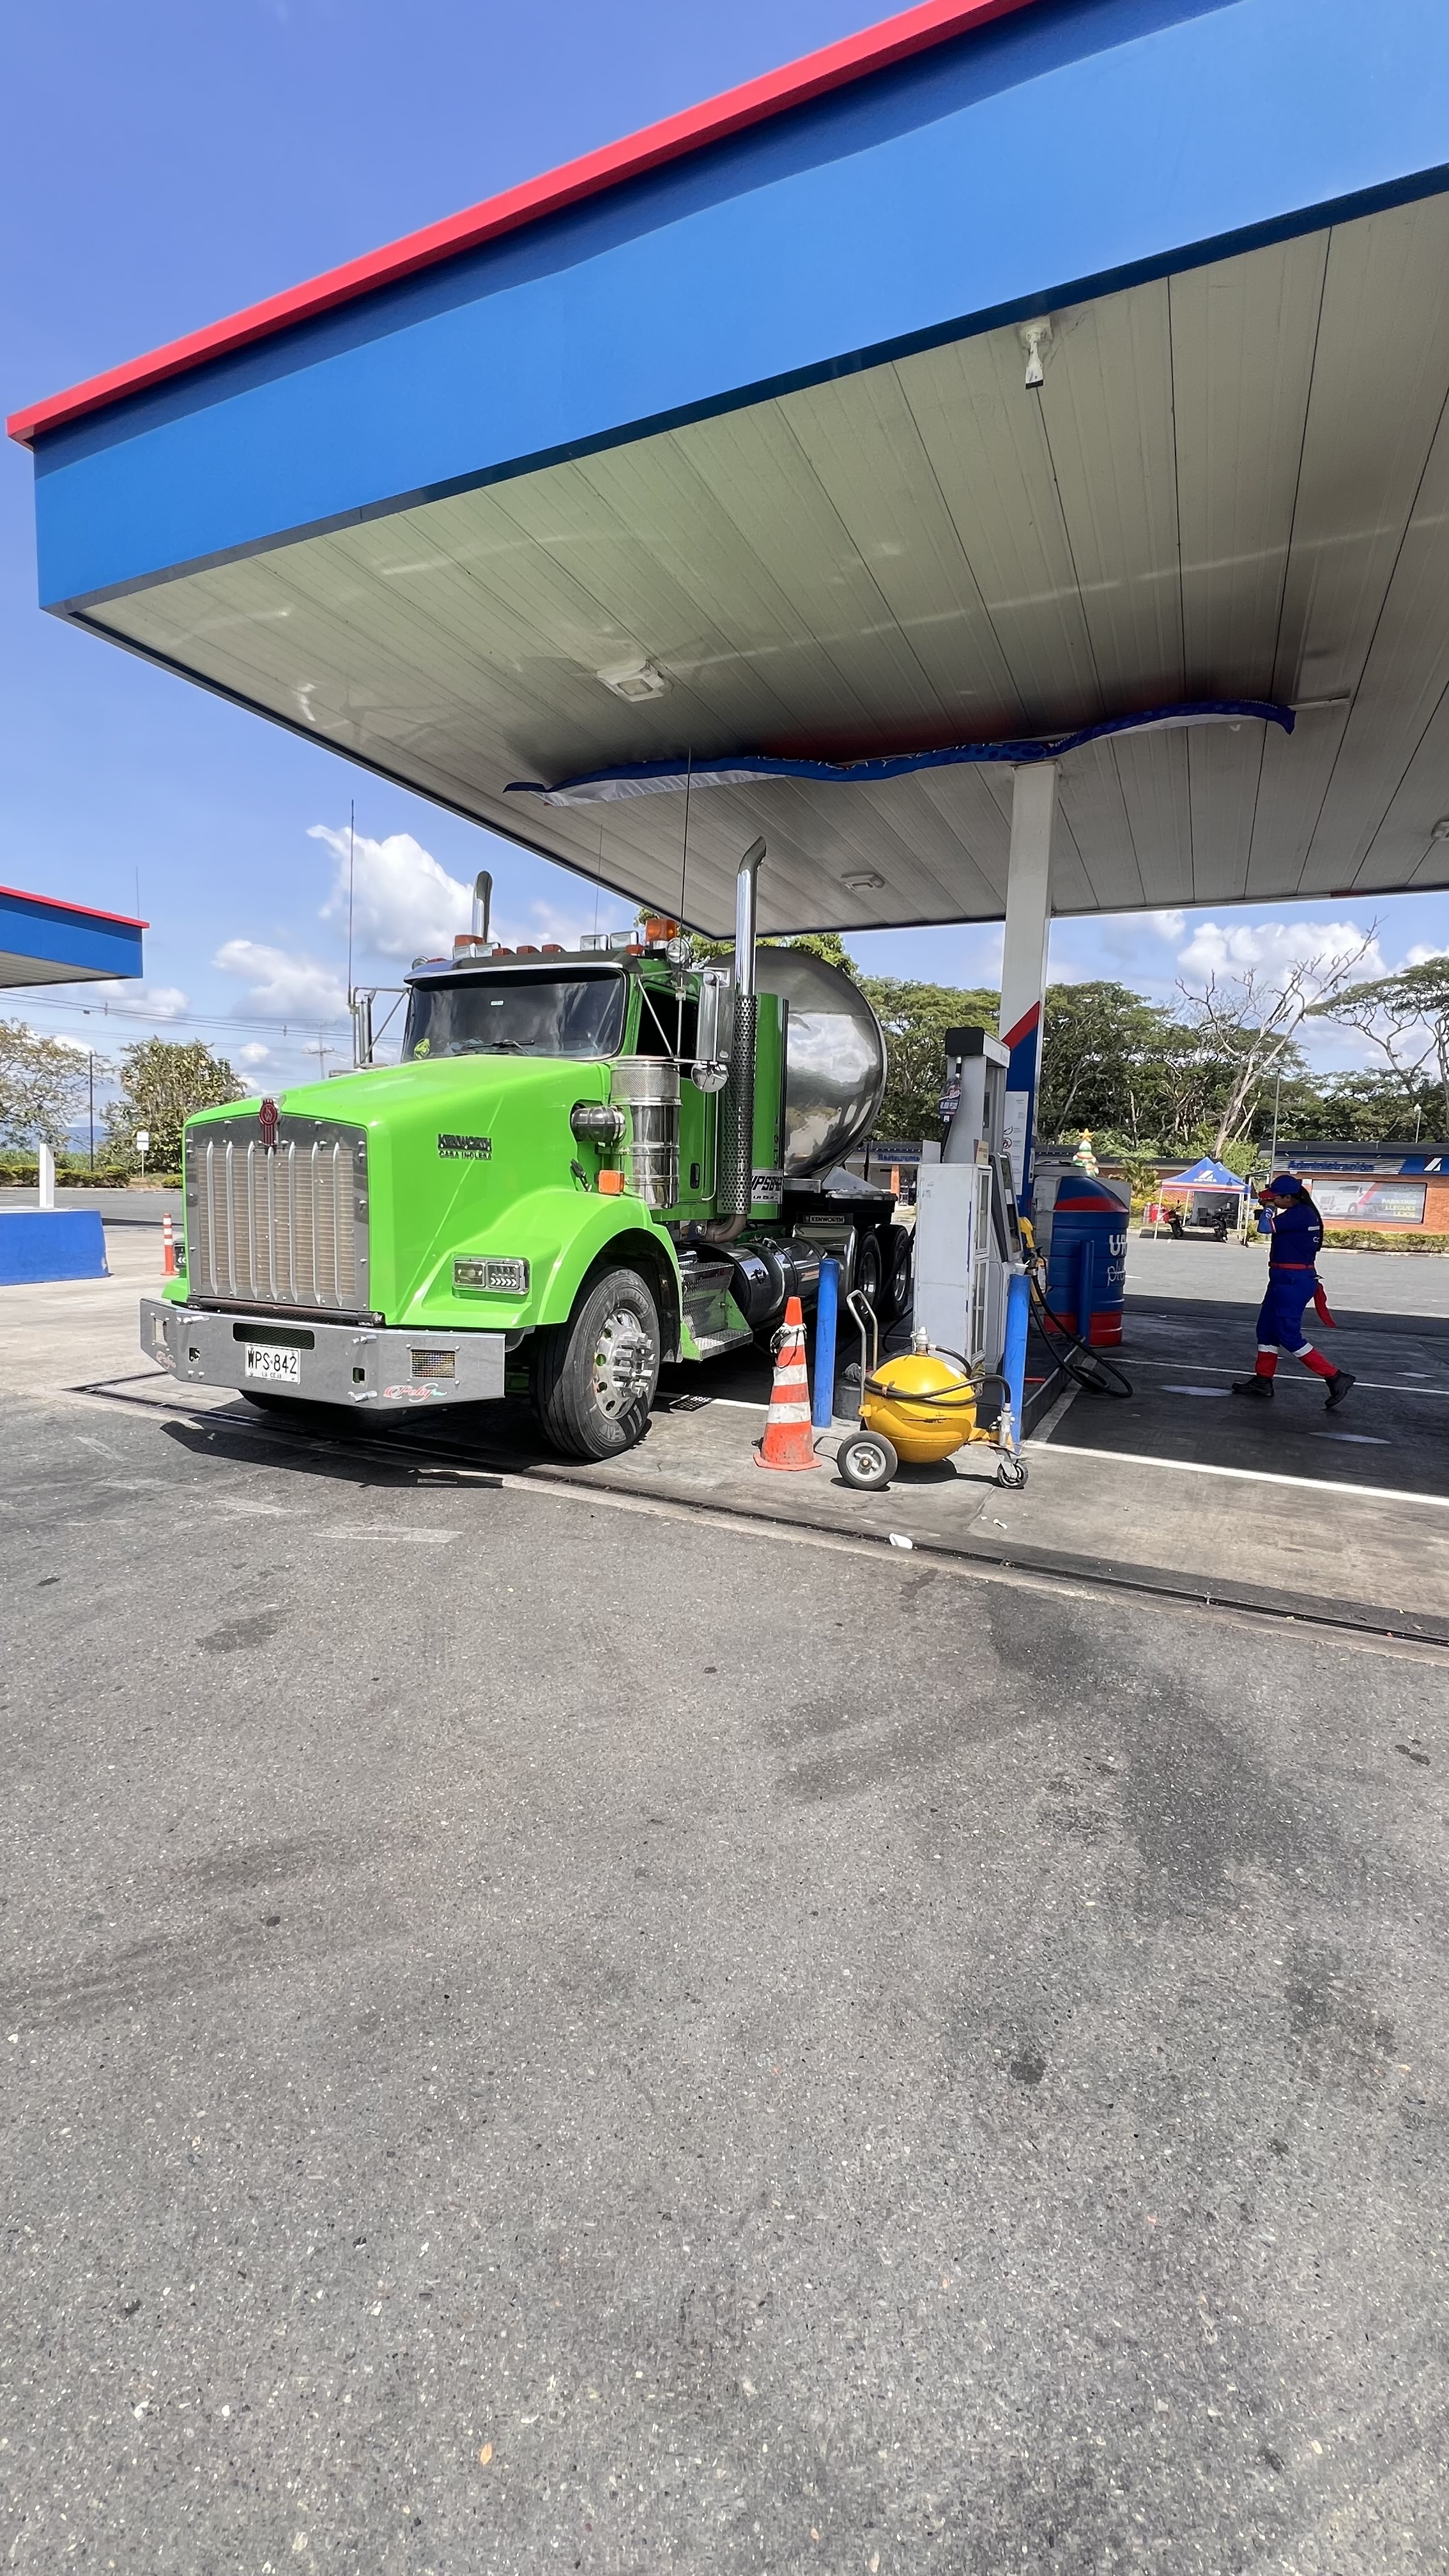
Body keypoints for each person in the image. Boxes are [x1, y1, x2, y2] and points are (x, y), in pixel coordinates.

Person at [1232, 1174, 1354, 1407]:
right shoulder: (1298, 1213)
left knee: (1288, 1334)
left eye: (1275, 1198)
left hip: (1293, 1282)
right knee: (1266, 1331)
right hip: (1284, 1280)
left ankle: (1335, 1376)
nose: (1271, 1200)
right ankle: (1263, 1380)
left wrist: (1269, 1209)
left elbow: (1265, 1228)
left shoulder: (1300, 1214)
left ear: (1289, 1198)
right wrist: (1270, 1205)